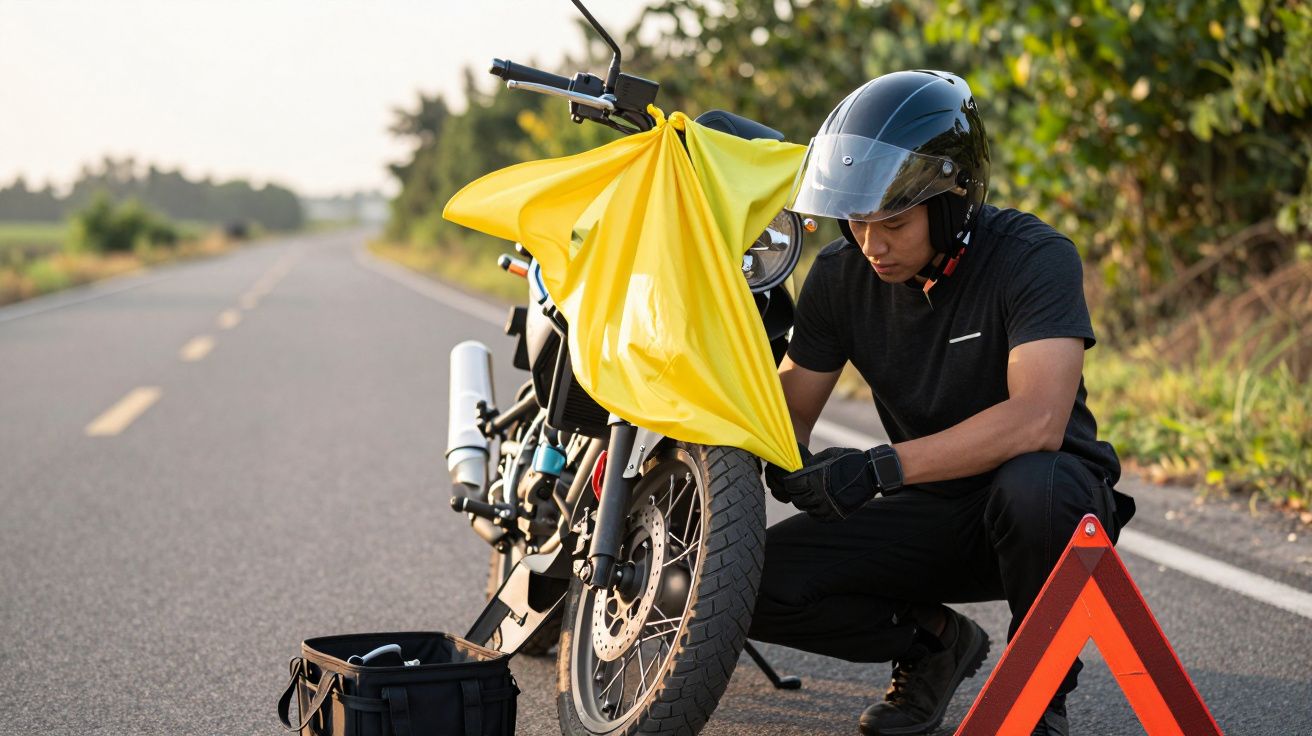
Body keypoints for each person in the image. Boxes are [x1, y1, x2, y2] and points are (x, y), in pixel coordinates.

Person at [751, 70, 1136, 736]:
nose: (871, 244)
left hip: (1050, 510)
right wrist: (776, 455)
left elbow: (1039, 419)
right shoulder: (841, 277)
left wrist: (877, 468)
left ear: (954, 201)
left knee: (1034, 488)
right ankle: (933, 647)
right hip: (933, 510)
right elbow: (789, 411)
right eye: (857, 221)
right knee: (744, 586)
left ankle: (1038, 696)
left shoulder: (1033, 258)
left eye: (894, 222)